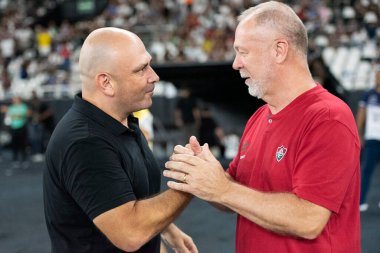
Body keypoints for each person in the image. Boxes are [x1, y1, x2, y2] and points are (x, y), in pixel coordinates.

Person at [163, 2, 360, 253]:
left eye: (243, 52)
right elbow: (236, 194)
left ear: (279, 50)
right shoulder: (260, 116)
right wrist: (204, 172)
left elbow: (308, 219)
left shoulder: (328, 118)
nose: (235, 63)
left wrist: (223, 189)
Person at [43, 27, 198, 253]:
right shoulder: (85, 144)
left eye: (149, 64)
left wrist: (164, 227)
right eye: (141, 69)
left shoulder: (123, 123)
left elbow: (128, 197)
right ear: (106, 83)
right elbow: (131, 233)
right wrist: (192, 182)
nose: (154, 76)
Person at [356, 66, 380, 212]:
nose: (377, 77)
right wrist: (359, 134)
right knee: (365, 171)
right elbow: (361, 115)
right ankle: (361, 201)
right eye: (377, 74)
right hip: (372, 139)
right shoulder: (368, 95)